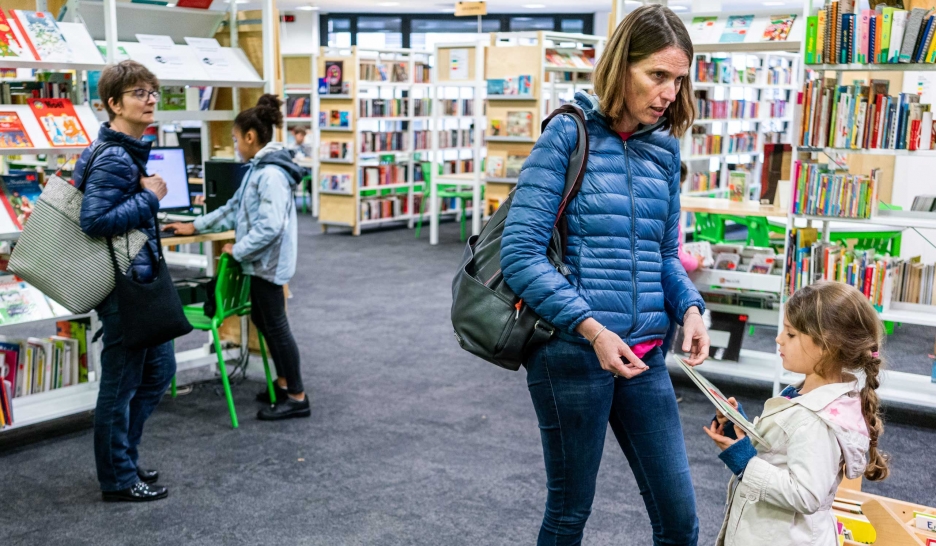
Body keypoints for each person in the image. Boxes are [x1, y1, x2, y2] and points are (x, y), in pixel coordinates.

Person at [499, 6, 710, 545]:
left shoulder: (663, 150)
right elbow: (520, 255)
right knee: (570, 514)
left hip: (644, 355)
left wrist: (690, 307)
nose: (668, 93)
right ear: (621, 67)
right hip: (572, 351)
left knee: (681, 521)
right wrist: (592, 328)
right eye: (656, 75)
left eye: (678, 79)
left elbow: (665, 254)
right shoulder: (566, 136)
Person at [704, 281, 889, 546]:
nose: (779, 339)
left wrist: (745, 461)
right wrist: (743, 430)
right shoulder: (803, 393)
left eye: (790, 334)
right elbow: (781, 448)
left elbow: (805, 494)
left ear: (828, 345)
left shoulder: (817, 421)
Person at [164, 95, 308, 421]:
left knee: (276, 327)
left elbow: (271, 226)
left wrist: (237, 250)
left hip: (267, 265)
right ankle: (285, 383)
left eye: (234, 139)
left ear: (250, 137)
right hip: (260, 263)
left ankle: (297, 396)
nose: (234, 146)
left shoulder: (270, 175)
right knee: (265, 322)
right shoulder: (258, 170)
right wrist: (193, 226)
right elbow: (233, 210)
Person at [74, 60, 172, 502]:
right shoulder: (115, 156)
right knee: (121, 384)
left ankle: (125, 462)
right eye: (138, 93)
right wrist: (149, 199)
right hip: (122, 288)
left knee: (157, 373)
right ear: (113, 104)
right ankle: (116, 477)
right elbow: (94, 221)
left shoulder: (126, 149)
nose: (150, 99)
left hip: (137, 281)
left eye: (153, 91)